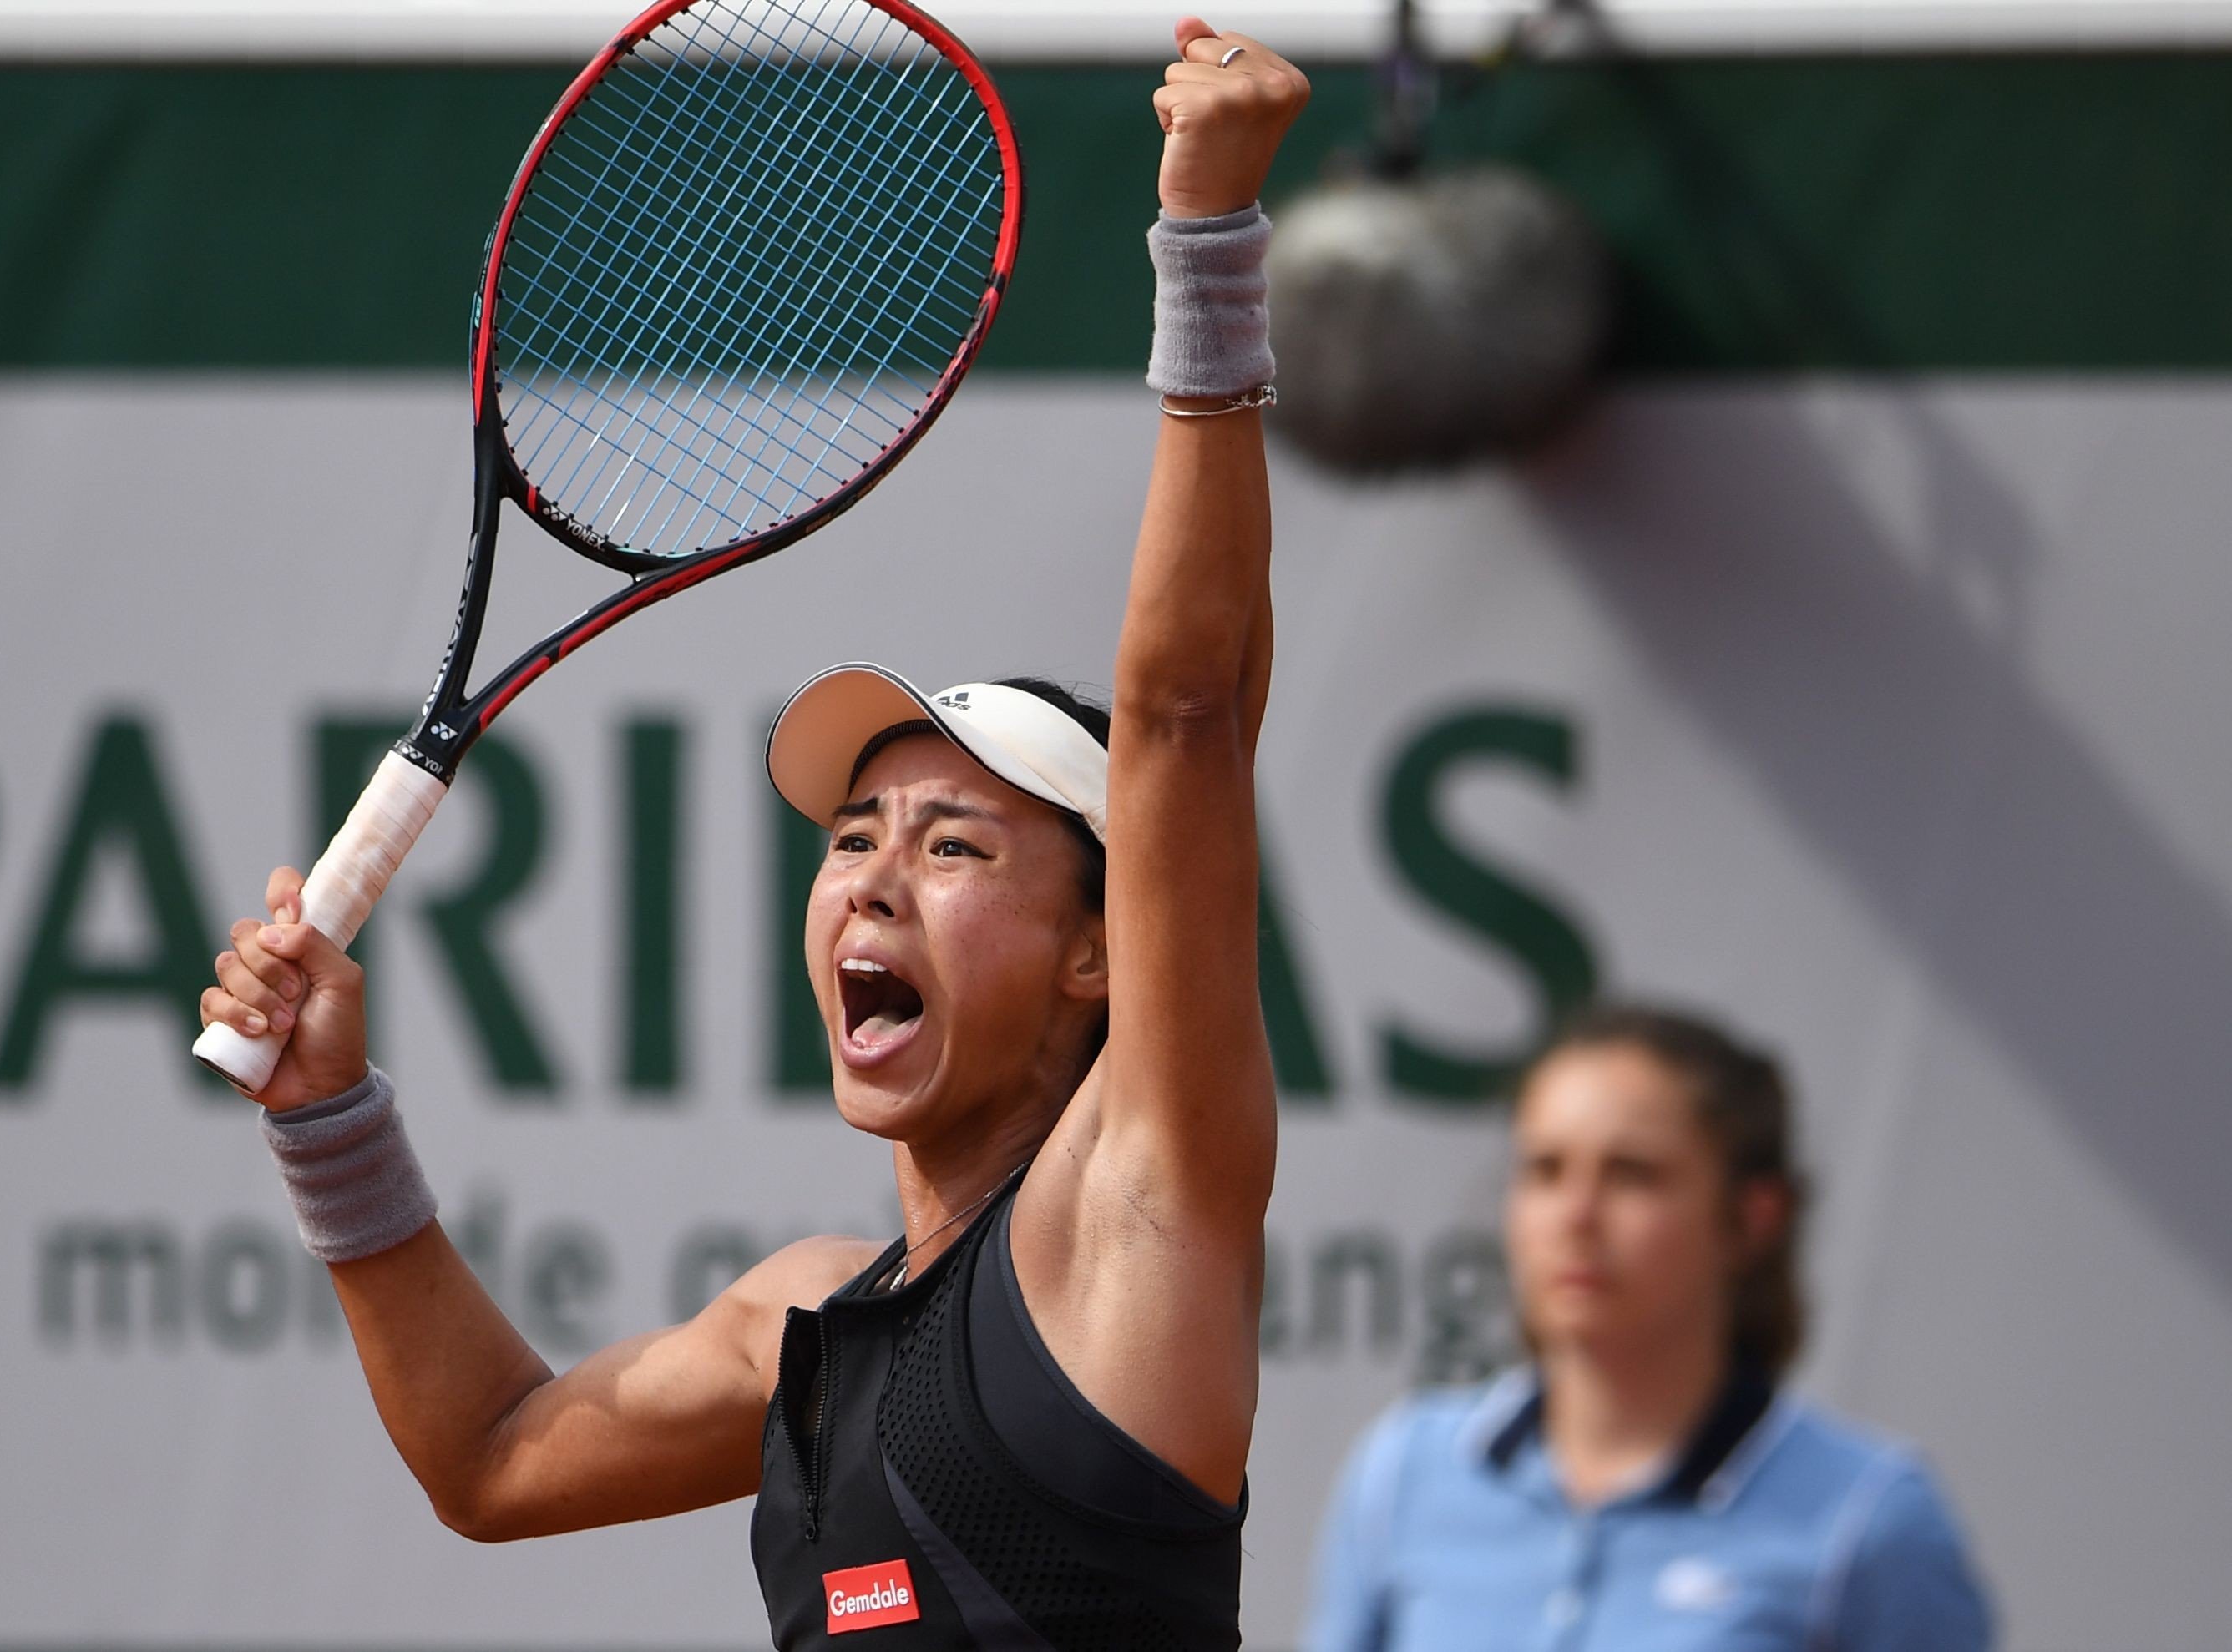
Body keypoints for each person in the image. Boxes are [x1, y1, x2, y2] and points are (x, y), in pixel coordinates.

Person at [195, 19, 1308, 1649]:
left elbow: (1185, 714)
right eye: (855, 831)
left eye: (952, 845)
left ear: (1100, 947)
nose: (867, 871)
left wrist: (1205, 231)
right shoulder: (801, 1315)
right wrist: (323, 1112)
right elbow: (492, 1454)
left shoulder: (1143, 1193)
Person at [1303, 1003, 1996, 1651]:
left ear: (1754, 1216)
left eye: (1631, 1174)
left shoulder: (1869, 1519)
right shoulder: (1403, 1473)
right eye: (1545, 1170)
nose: (1576, 1215)